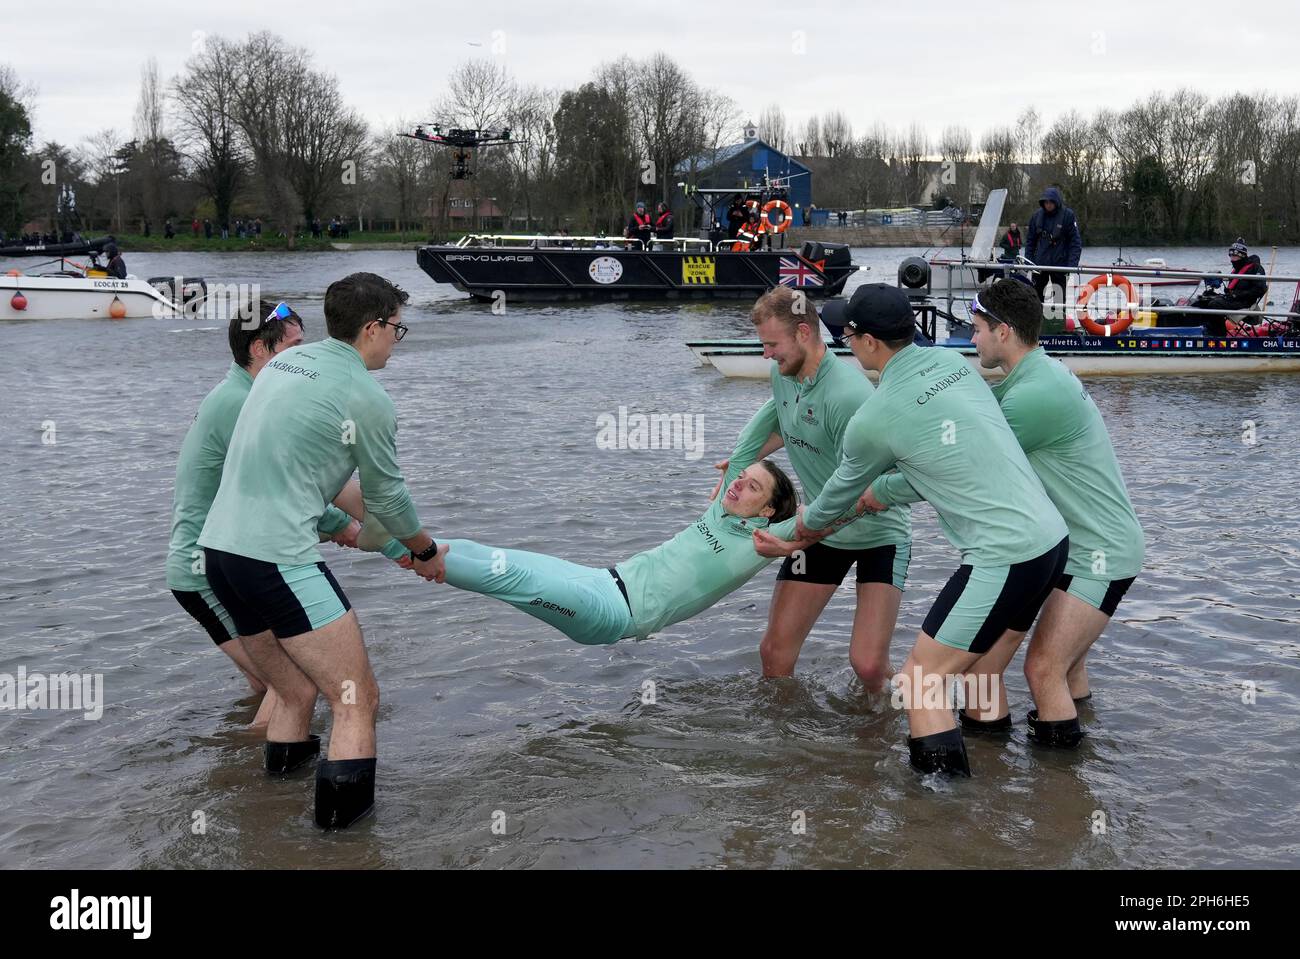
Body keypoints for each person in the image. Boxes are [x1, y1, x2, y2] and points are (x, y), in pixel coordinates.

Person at [758, 284, 1069, 777]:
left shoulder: (874, 418)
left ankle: (941, 815)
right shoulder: (954, 366)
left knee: (920, 682)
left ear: (868, 343)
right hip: (1052, 543)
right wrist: (888, 492)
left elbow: (833, 500)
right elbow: (951, 457)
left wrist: (792, 535)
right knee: (979, 673)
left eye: (849, 333)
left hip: (1004, 555)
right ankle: (1046, 782)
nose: (844, 340)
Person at [198, 272, 448, 829]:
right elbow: (389, 495)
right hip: (276, 559)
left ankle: (269, 821)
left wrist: (388, 542)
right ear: (372, 327)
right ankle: (342, 850)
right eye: (396, 329)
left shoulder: (284, 366)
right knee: (357, 699)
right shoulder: (367, 396)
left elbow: (326, 480)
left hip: (219, 555)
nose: (395, 341)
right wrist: (425, 549)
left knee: (292, 693)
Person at [166, 301, 410, 735]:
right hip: (206, 565)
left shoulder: (243, 393)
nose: (306, 354)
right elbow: (292, 485)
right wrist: (365, 533)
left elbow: (296, 484)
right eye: (295, 345)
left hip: (220, 556)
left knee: (274, 685)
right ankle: (248, 773)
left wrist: (386, 534)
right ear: (259, 348)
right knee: (288, 683)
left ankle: (251, 777)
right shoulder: (245, 401)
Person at [962, 279, 1144, 747]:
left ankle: (1062, 793)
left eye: (977, 328)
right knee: (1067, 666)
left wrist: (876, 491)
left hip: (1098, 552)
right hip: (1069, 548)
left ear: (1003, 331)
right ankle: (1078, 752)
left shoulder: (1032, 396)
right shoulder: (1037, 376)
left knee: (1043, 667)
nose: (971, 339)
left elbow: (963, 462)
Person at [720, 287, 911, 690]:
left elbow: (870, 492)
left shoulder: (848, 396)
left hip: (877, 531)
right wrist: (738, 469)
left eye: (772, 344)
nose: (766, 355)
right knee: (774, 652)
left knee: (869, 666)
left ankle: (890, 731)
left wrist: (795, 540)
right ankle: (788, 745)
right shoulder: (784, 374)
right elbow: (782, 426)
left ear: (804, 333)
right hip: (822, 527)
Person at [419, 460, 800, 646]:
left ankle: (411, 552)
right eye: (739, 477)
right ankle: (400, 534)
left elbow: (830, 510)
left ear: (768, 511)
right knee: (492, 554)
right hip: (600, 578)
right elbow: (756, 434)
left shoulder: (761, 543)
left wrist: (862, 498)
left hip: (614, 615)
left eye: (752, 487)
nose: (737, 485)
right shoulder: (721, 507)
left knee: (510, 578)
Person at [1192, 238, 1267, 335]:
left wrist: (1237, 295)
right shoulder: (1237, 269)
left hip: (1245, 302)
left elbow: (1259, 289)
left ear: (1242, 255)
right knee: (1203, 301)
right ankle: (1205, 329)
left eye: (1235, 255)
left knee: (1215, 305)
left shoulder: (1256, 268)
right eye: (1231, 255)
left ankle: (1219, 335)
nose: (1232, 258)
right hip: (1233, 299)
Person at [1024, 187, 1082, 306]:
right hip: (1039, 265)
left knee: (1060, 300)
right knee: (1035, 299)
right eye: (1046, 202)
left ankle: (1058, 324)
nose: (1048, 205)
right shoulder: (1036, 216)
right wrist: (1029, 262)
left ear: (1056, 202)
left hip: (1060, 265)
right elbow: (1030, 241)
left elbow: (1075, 242)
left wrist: (1071, 266)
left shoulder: (1067, 215)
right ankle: (1036, 323)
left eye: (1051, 202)